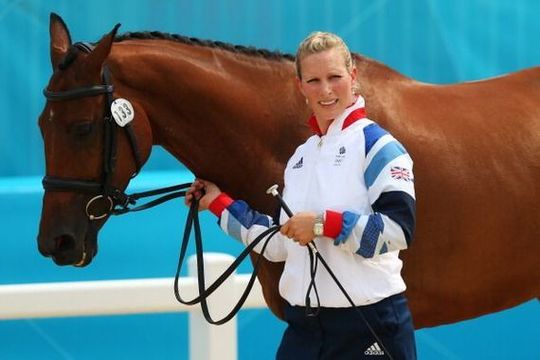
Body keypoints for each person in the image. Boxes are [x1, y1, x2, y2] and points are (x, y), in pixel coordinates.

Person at [186, 31, 417, 359]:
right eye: (314, 80)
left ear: (352, 77)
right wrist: (218, 203)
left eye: (334, 77)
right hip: (305, 330)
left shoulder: (379, 147)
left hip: (370, 325)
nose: (325, 90)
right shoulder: (301, 158)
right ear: (300, 87)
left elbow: (397, 231)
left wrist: (323, 224)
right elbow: (280, 245)